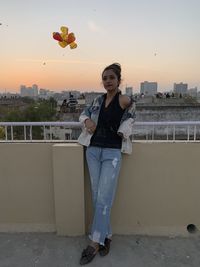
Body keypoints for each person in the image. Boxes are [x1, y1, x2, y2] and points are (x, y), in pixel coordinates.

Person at [78, 63, 136, 265]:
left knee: (103, 197)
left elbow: (133, 113)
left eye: (111, 77)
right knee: (97, 196)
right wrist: (87, 122)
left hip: (112, 153)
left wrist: (125, 128)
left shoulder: (124, 99)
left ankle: (94, 242)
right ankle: (107, 234)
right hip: (92, 151)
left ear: (119, 80)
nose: (107, 81)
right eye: (104, 78)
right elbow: (83, 114)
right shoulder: (96, 100)